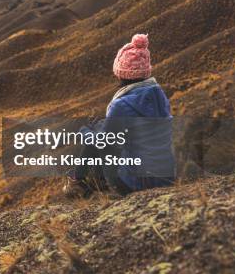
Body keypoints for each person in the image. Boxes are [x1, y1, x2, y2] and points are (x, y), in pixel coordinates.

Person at [63, 33, 176, 198]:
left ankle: (76, 182)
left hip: (137, 184)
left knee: (94, 139)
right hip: (166, 178)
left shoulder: (121, 105)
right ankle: (82, 181)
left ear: (122, 73)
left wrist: (85, 132)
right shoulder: (159, 95)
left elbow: (103, 143)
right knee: (102, 128)